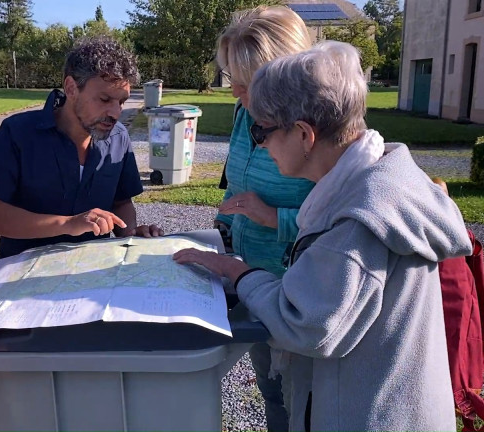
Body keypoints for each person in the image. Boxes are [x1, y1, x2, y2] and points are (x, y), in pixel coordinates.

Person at [174, 41, 471, 431]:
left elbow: (306, 325)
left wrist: (235, 271)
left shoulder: (358, 221)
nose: (258, 143)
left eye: (261, 130)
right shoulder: (380, 176)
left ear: (303, 135)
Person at [213, 6, 314, 431]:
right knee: (273, 391)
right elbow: (238, 182)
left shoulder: (318, 125)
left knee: (303, 402)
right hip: (255, 278)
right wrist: (223, 233)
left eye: (244, 82)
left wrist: (275, 217)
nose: (235, 91)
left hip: (301, 290)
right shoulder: (244, 114)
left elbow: (344, 219)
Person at [0, 36, 160, 259]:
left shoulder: (118, 137)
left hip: (92, 273)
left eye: (121, 101)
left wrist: (129, 235)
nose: (116, 113)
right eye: (104, 99)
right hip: (24, 278)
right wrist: (67, 224)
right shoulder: (18, 133)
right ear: (71, 88)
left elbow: (121, 203)